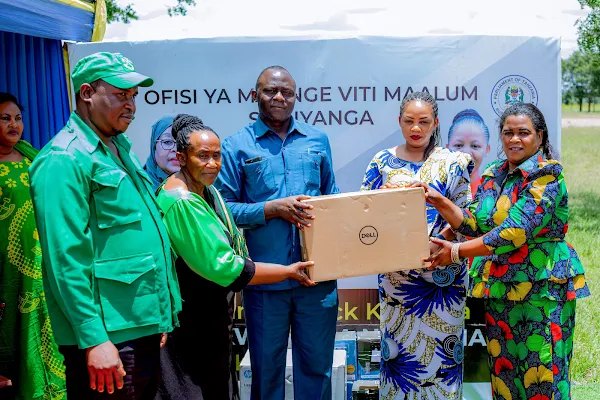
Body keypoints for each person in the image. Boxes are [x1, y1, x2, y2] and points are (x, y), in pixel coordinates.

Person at [412, 103, 590, 400]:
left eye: (523, 132)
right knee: (505, 379)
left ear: (540, 136)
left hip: (541, 290)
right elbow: (474, 223)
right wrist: (438, 200)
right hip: (499, 290)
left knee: (543, 377)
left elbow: (514, 232)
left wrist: (456, 252)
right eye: (508, 132)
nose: (514, 139)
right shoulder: (494, 174)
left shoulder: (546, 175)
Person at [29, 52, 181, 400]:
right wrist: (94, 338)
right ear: (86, 93)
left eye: (134, 96)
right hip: (107, 338)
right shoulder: (63, 158)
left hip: (137, 327)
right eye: (120, 95)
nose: (131, 106)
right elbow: (66, 259)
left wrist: (157, 315)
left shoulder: (118, 150)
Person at [156, 113, 315, 400]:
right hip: (190, 322)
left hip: (211, 319)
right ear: (181, 158)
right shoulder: (181, 202)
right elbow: (226, 267)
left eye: (216, 155)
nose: (212, 163)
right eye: (202, 156)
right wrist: (287, 271)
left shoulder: (208, 191)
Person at [216, 66, 339, 400]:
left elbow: (334, 201)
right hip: (266, 282)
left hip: (316, 279)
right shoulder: (236, 146)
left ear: (296, 97)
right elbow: (223, 211)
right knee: (266, 373)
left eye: (286, 92)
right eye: (270, 91)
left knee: (317, 371)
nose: (279, 97)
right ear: (255, 95)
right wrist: (271, 209)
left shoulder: (317, 140)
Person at [361, 91, 473, 399]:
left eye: (424, 121)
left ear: (435, 123)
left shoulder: (454, 162)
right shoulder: (381, 162)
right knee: (400, 358)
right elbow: (361, 214)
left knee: (443, 361)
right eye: (409, 121)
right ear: (399, 121)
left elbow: (467, 214)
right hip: (397, 280)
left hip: (443, 279)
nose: (416, 128)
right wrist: (380, 198)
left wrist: (441, 242)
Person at [0, 93, 66, 399]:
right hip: (7, 272)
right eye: (5, 119)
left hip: (41, 266)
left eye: (18, 118)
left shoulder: (33, 158)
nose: (14, 125)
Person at [446, 109, 491, 194]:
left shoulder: (494, 193)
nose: (466, 153)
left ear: (487, 150)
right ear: (447, 149)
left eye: (475, 146)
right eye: (458, 145)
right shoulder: (432, 191)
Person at [145, 116, 179, 191]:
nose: (176, 149)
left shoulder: (202, 184)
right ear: (154, 147)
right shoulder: (138, 186)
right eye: (167, 142)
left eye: (182, 142)